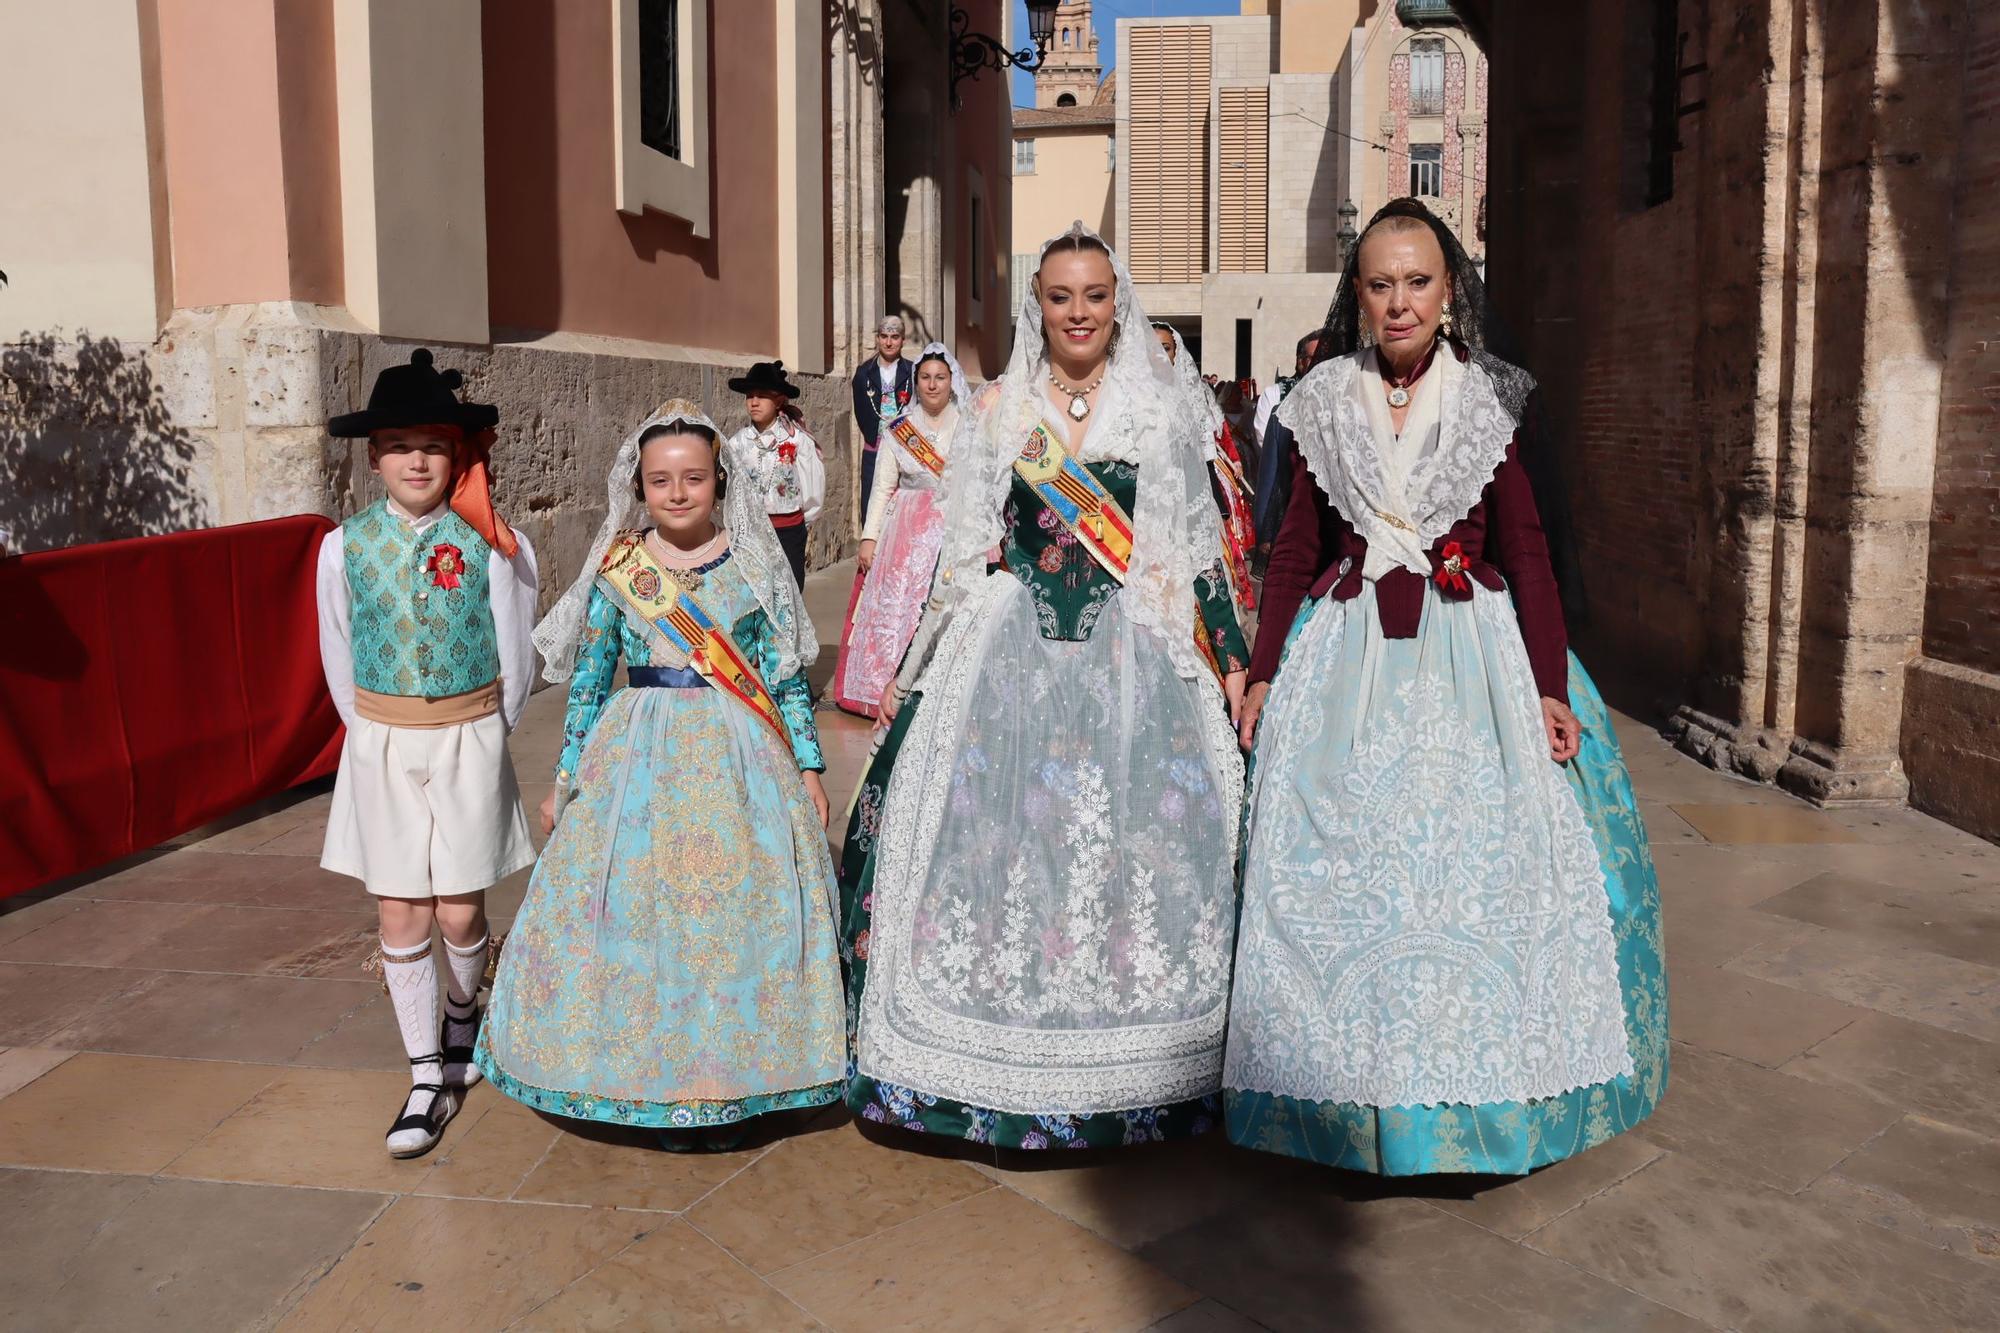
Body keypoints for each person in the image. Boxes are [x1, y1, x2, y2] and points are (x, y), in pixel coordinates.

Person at [1225, 198, 1667, 1175]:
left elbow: (1527, 548)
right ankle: (1350, 1093)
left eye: (1415, 281)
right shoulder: (1319, 399)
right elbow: (1293, 545)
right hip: (1342, 655)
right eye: (1377, 283)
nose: (1397, 302)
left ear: (1446, 289)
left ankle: (1476, 1095)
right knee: (1345, 869)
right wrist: (1262, 670)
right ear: (1355, 292)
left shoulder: (1489, 398)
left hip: (1472, 655)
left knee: (1477, 865)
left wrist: (1550, 686)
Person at [838, 222, 1249, 1150]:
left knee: (1134, 847)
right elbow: (959, 548)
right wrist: (917, 668)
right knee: (1002, 848)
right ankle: (986, 1057)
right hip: (1013, 654)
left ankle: (1139, 1063)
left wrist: (1227, 661)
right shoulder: (1000, 408)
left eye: (1094, 296)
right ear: (1039, 304)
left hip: (1131, 654)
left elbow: (1194, 551)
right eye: (1060, 297)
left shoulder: (1156, 410)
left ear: (1118, 302)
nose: (1078, 312)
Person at [475, 400, 844, 1152]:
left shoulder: (750, 564)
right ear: (638, 487)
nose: (677, 494)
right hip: (636, 753)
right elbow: (588, 680)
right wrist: (567, 769)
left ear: (721, 482)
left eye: (694, 479)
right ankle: (638, 1069)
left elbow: (780, 674)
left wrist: (807, 762)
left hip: (741, 753)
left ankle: (740, 1072)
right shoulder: (620, 568)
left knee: (734, 913)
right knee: (637, 912)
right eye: (660, 481)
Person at [317, 349, 539, 1159]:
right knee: (400, 907)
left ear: (459, 455)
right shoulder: (343, 547)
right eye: (400, 444)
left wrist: (485, 726)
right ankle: (423, 1074)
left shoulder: (492, 545)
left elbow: (516, 650)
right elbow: (338, 650)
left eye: (435, 445)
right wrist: (374, 730)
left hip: (468, 736)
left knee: (459, 908)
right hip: (381, 742)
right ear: (373, 456)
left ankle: (461, 1012)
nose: (418, 459)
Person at [830, 342, 967, 717]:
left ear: (952, 381)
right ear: (915, 382)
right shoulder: (898, 430)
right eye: (925, 377)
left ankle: (939, 689)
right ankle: (882, 689)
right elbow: (882, 488)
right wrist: (870, 538)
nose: (933, 385)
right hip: (904, 532)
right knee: (897, 604)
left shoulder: (969, 425)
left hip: (952, 528)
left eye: (940, 377)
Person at [1156, 324, 1256, 614]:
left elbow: (1217, 431)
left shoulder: (1195, 392)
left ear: (1176, 352)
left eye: (1165, 348)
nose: (1158, 355)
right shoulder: (1131, 392)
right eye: (1152, 348)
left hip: (1198, 480)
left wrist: (1233, 461)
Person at [725, 362, 823, 588]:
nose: (754, 402)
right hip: (751, 532)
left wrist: (804, 523)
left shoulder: (797, 440)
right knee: (754, 590)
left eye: (762, 396)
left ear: (779, 400)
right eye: (750, 396)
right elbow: (731, 487)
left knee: (789, 590)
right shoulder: (738, 443)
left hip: (789, 531)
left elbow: (812, 486)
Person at [1250, 332, 1321, 547]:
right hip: (1288, 489)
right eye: (1314, 357)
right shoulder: (1276, 395)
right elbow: (1264, 440)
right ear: (1300, 362)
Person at [852, 316, 915, 507]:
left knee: (900, 506)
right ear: (877, 338)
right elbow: (861, 411)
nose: (889, 342)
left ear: (903, 340)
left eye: (895, 337)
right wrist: (873, 437)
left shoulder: (912, 371)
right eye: (884, 336)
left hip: (904, 450)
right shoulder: (864, 373)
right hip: (874, 448)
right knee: (872, 504)